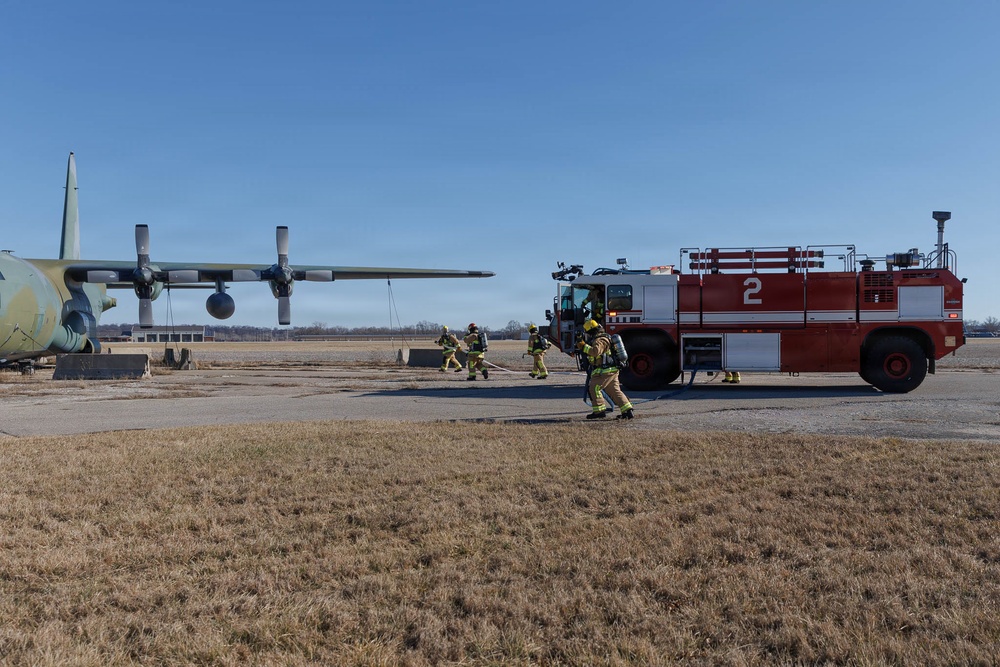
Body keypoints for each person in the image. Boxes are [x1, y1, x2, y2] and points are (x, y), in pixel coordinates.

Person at [576, 319, 634, 420]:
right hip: (609, 370)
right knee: (614, 391)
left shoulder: (600, 340)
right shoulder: (602, 338)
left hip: (606, 371)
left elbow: (595, 352)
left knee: (594, 388)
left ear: (591, 331)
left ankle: (599, 411)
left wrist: (583, 346)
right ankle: (627, 410)